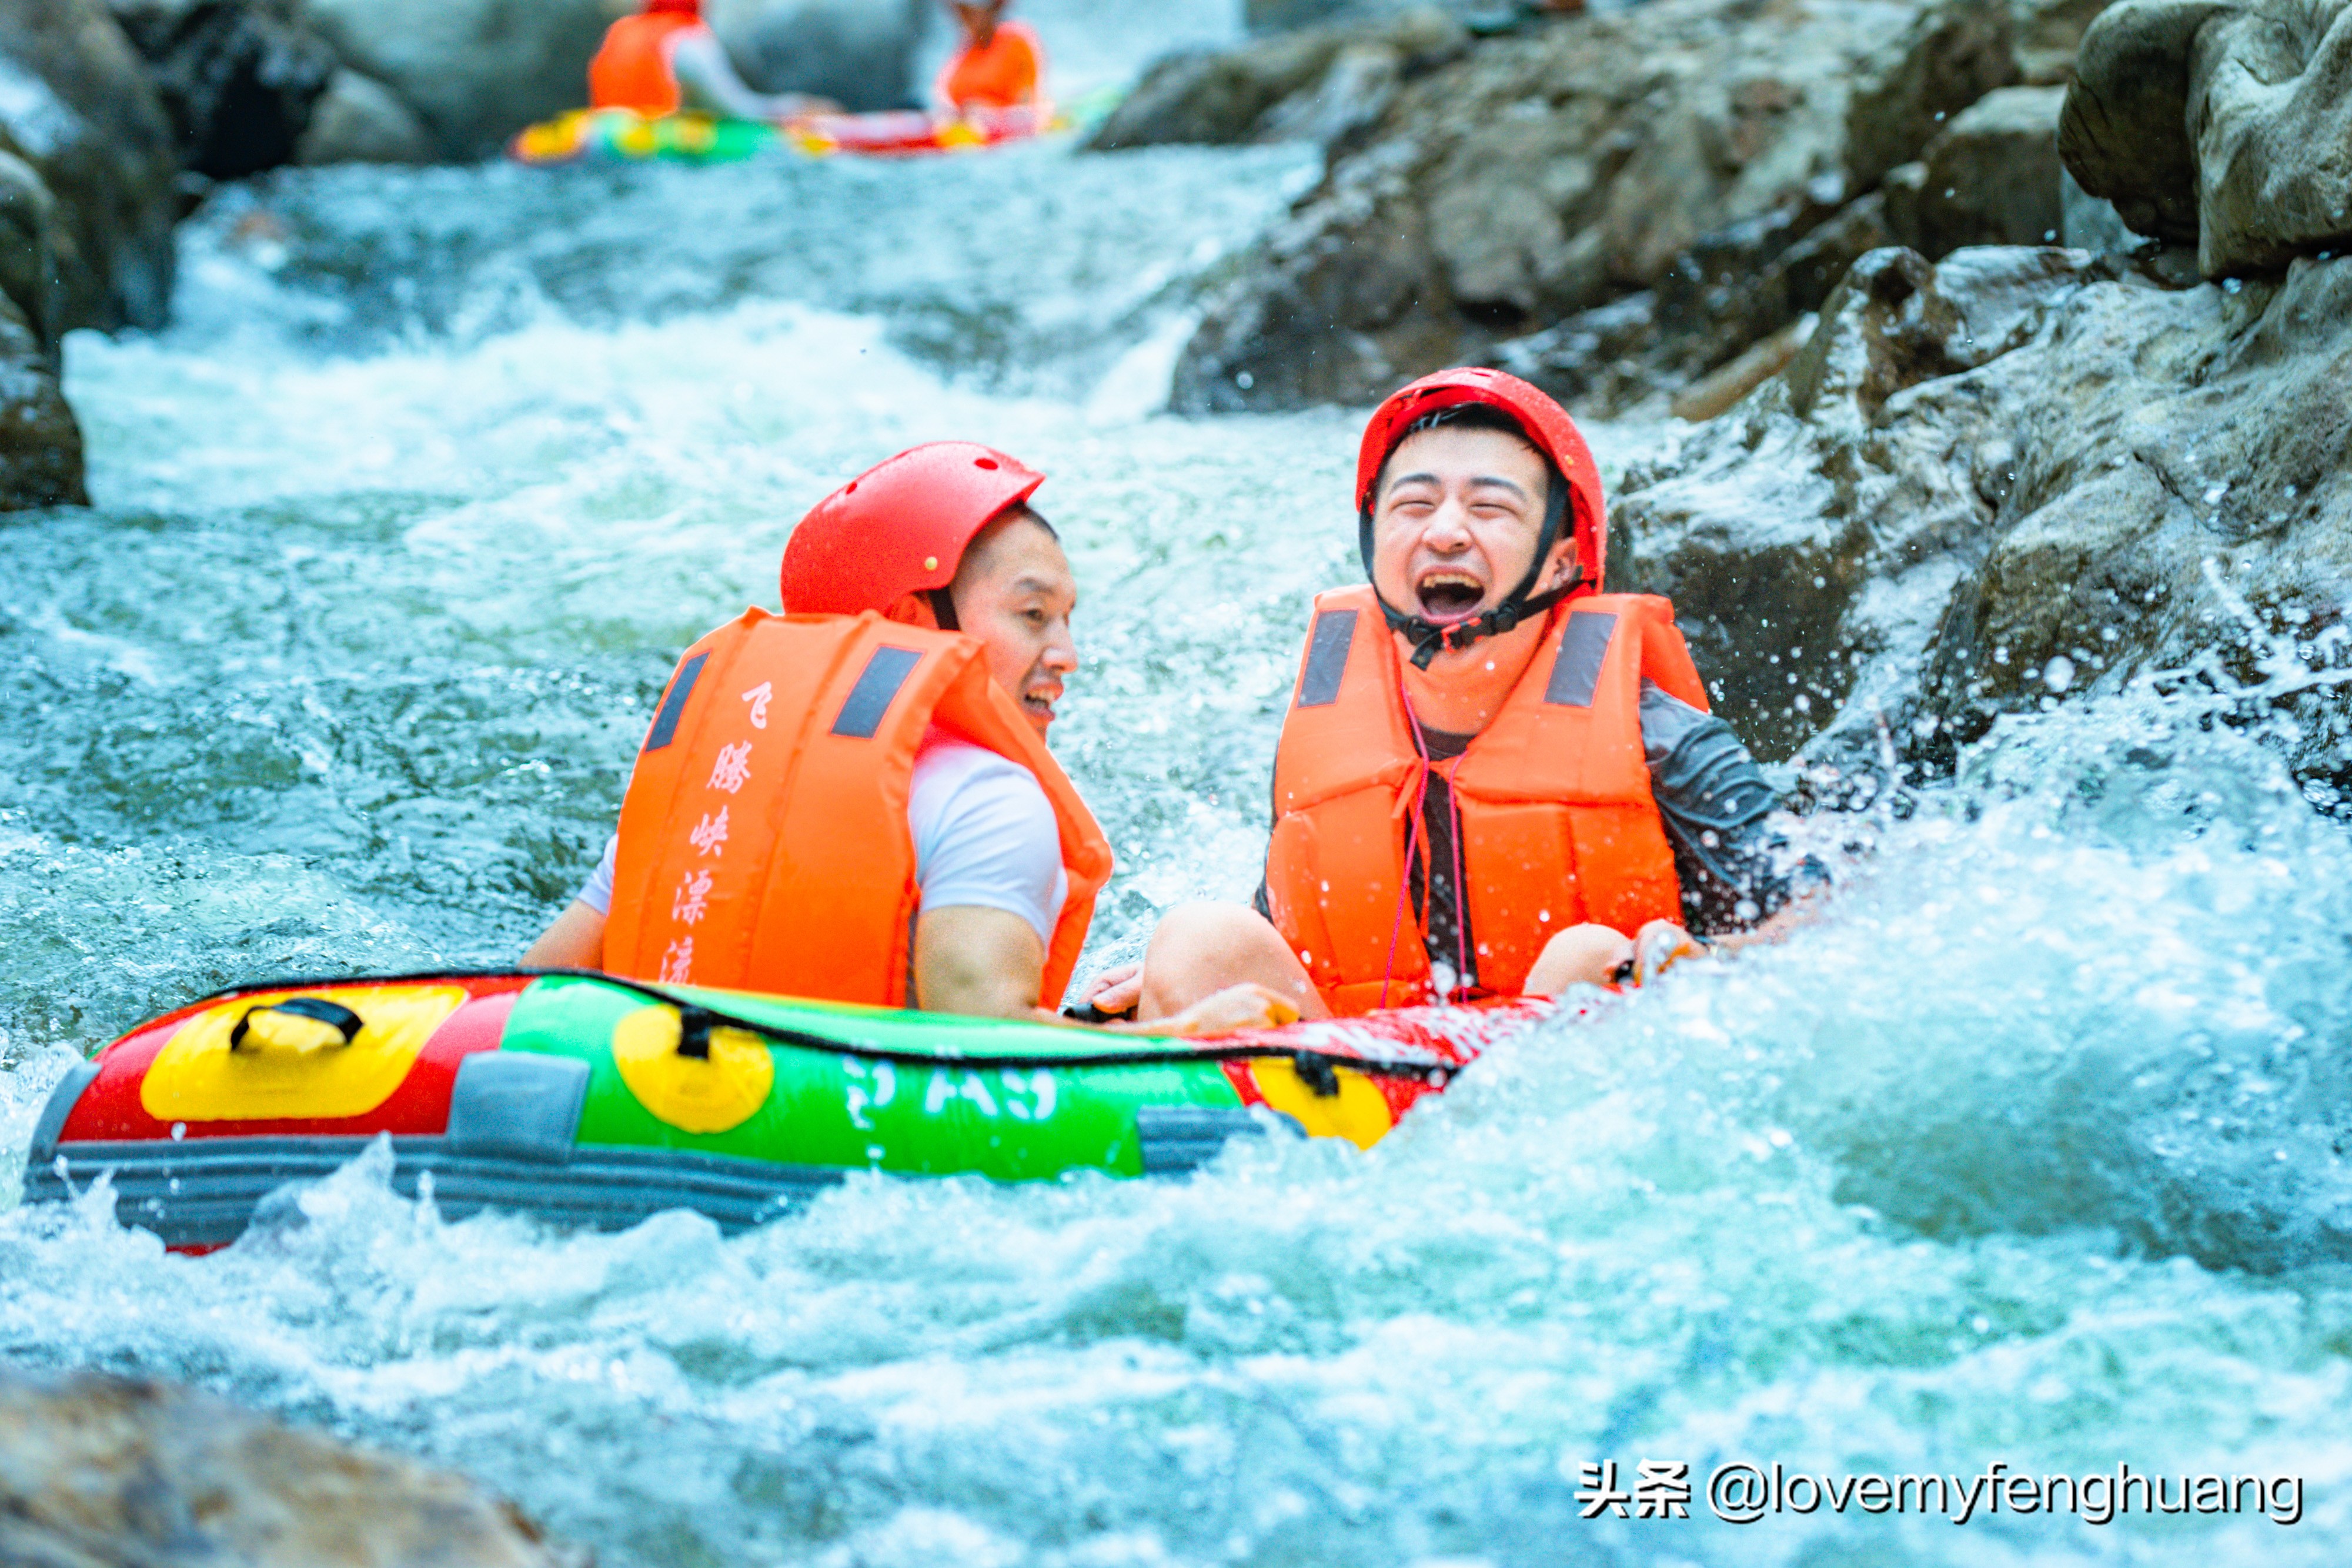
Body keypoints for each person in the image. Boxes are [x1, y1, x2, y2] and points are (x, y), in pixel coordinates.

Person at [1085, 367, 1822, 1021]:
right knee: (1197, 938)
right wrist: (1171, 988)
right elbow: (1305, 930)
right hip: (1368, 1084)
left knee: (1585, 956)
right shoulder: (1325, 732)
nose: (1444, 533)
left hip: (1570, 1066)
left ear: (1562, 562)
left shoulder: (1663, 739)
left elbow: (1819, 929)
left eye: (1489, 509)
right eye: (1413, 506)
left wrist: (1709, 963)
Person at [524, 443, 1293, 1036]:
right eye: (1033, 615)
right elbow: (984, 1049)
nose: (1067, 652)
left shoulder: (706, 782)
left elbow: (531, 992)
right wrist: (1178, 1036)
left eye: (1067, 618)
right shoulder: (985, 795)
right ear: (918, 622)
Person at [588, 0, 833, 122]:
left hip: (603, 135)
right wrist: (797, 108)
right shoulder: (688, 38)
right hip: (650, 150)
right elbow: (739, 110)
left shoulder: (620, 30)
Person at [934, 1, 1047, 113]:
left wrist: (985, 111)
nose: (962, 19)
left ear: (992, 9)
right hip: (964, 127)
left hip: (1003, 127)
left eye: (968, 12)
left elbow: (1025, 106)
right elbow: (946, 97)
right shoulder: (966, 50)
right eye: (960, 12)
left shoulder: (1016, 43)